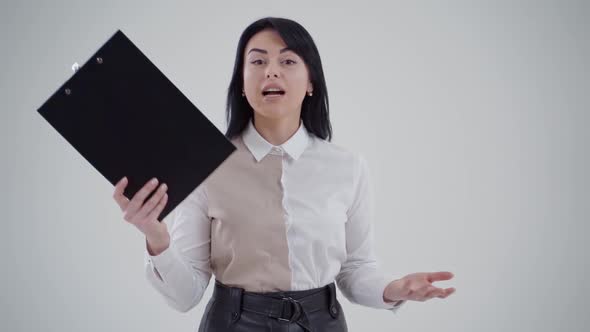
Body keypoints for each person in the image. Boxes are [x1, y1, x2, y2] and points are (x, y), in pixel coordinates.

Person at [112, 17, 455, 332]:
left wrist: (394, 289)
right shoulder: (207, 166)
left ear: (310, 82)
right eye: (258, 61)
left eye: (288, 61)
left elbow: (355, 270)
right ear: (242, 83)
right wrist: (157, 238)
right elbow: (185, 295)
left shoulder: (347, 167)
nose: (271, 72)